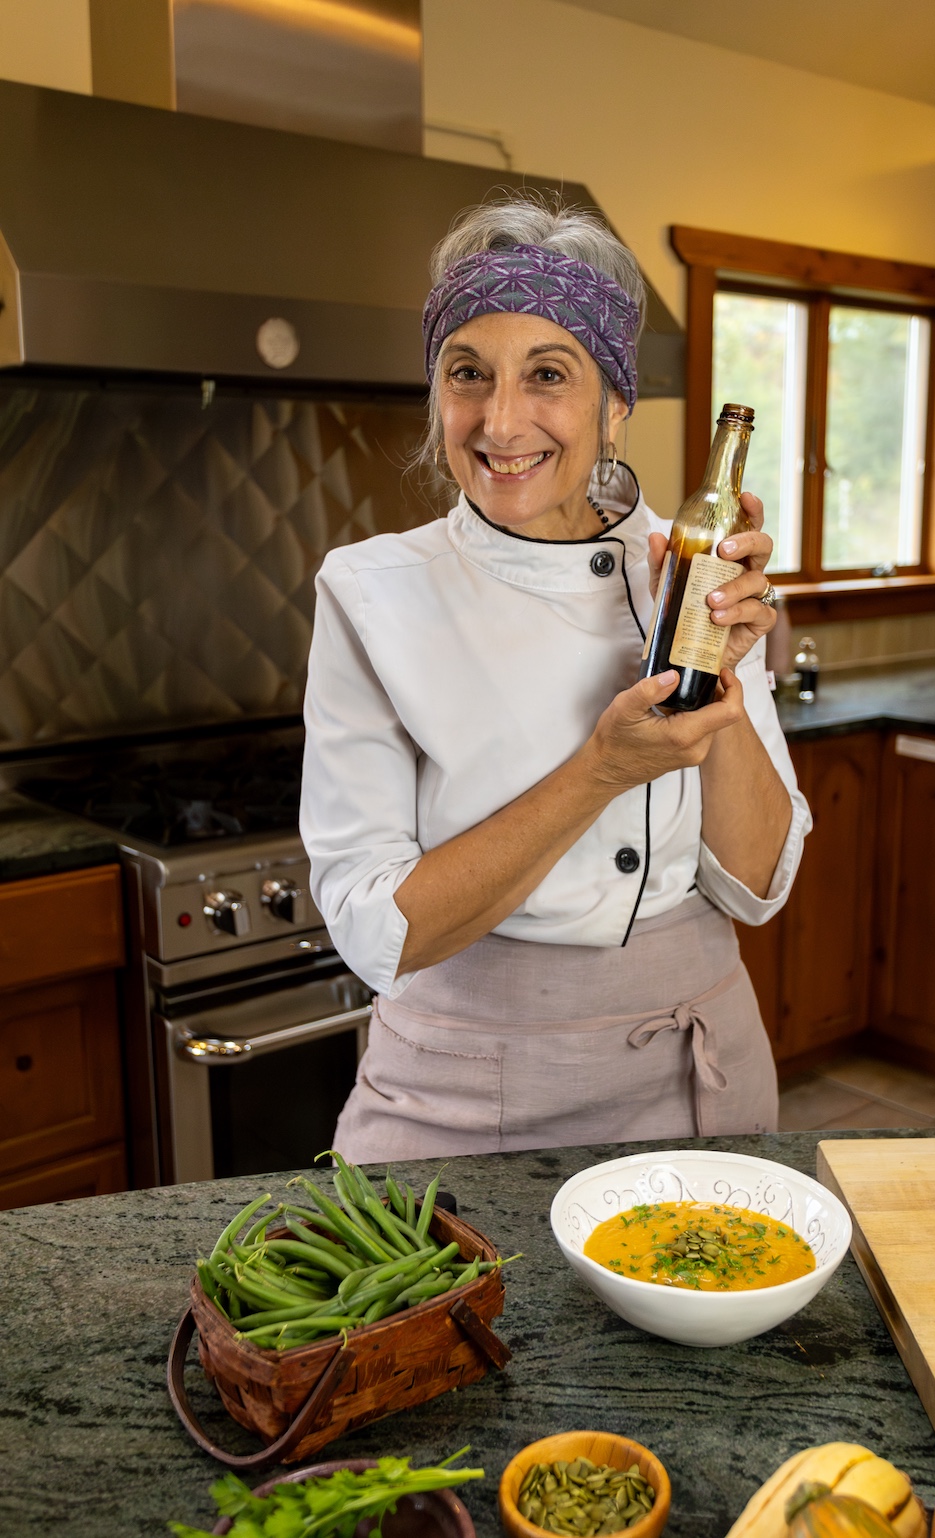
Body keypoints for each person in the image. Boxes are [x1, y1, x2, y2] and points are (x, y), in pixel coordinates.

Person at [299, 196, 811, 1161]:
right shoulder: (372, 592)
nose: (501, 421)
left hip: (693, 1070)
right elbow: (378, 935)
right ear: (436, 396)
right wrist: (602, 770)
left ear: (615, 401)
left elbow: (755, 887)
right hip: (456, 1086)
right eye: (467, 375)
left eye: (547, 375)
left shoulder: (688, 568)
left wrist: (724, 675)